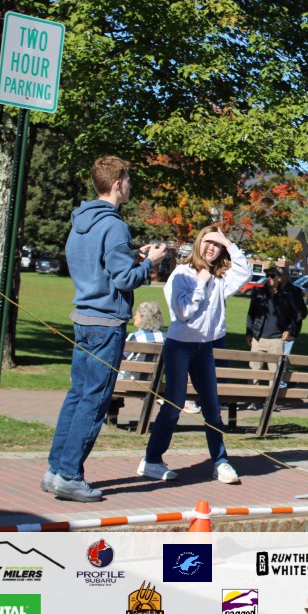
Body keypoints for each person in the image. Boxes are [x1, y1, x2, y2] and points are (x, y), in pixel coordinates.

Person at [43, 155, 167, 503]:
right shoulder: (114, 225)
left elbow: (100, 267)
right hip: (107, 323)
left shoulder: (81, 221)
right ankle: (69, 475)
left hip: (84, 319)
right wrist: (150, 263)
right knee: (94, 401)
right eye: (128, 180)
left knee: (77, 396)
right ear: (116, 184)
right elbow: (124, 279)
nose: (131, 185)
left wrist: (134, 256)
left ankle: (55, 470)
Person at [139, 225, 249, 484]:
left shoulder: (221, 278)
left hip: (205, 348)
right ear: (198, 243)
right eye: (208, 241)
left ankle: (220, 462)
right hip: (180, 346)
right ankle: (152, 460)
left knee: (212, 407)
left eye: (217, 245)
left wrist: (229, 243)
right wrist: (201, 282)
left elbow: (244, 272)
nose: (212, 248)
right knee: (174, 404)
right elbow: (183, 313)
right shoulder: (182, 274)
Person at [107, 301, 169, 427]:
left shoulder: (135, 337)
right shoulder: (166, 337)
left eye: (137, 315)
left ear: (144, 318)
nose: (134, 317)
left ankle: (112, 419)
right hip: (155, 383)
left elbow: (120, 358)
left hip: (131, 382)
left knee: (112, 375)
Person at [245, 266, 300, 380]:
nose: (269, 278)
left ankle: (272, 393)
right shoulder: (258, 293)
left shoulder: (286, 296)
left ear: (279, 278)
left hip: (276, 340)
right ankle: (253, 391)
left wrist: (289, 330)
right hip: (258, 339)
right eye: (267, 275)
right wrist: (249, 333)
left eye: (272, 275)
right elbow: (251, 314)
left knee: (274, 375)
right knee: (254, 373)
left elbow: (294, 315)